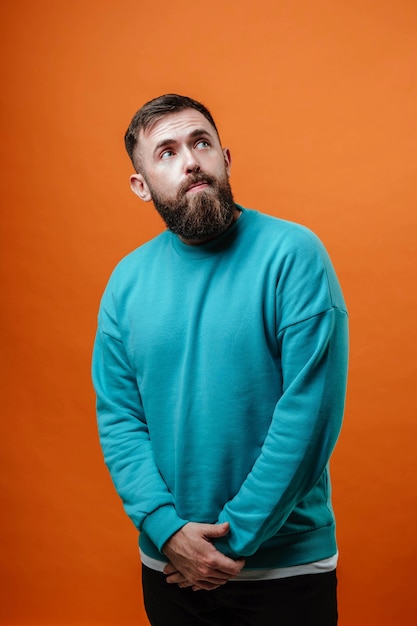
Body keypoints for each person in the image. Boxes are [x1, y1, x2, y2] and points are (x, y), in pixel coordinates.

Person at [92, 93, 349, 626]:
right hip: (169, 566)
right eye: (166, 152)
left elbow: (309, 417)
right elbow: (120, 419)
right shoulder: (125, 284)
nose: (190, 161)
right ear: (140, 185)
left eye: (200, 143)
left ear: (224, 159)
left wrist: (233, 540)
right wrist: (166, 530)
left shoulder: (294, 256)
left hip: (286, 571)